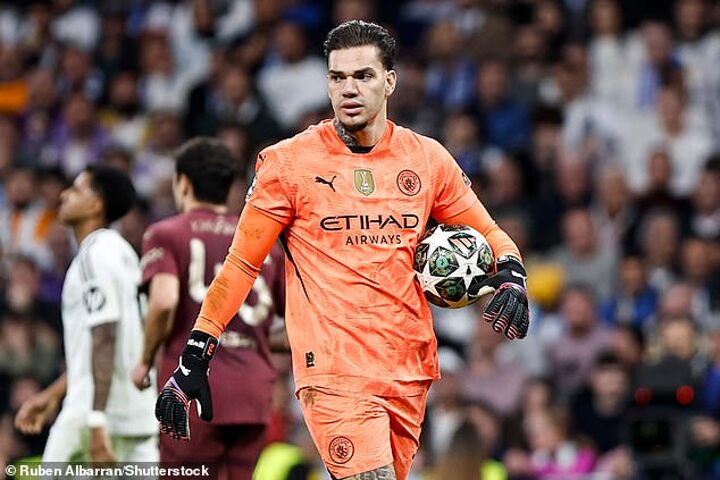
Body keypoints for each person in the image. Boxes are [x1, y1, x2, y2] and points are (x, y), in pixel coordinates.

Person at [155, 21, 529, 480]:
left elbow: (489, 231)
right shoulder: (288, 163)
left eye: (363, 76)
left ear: (390, 81)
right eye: (337, 77)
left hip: (408, 367)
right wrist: (196, 353)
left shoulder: (426, 159)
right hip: (334, 370)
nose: (348, 89)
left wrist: (512, 273)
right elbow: (241, 264)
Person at [131, 138, 285, 478]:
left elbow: (164, 302)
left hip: (190, 387)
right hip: (254, 390)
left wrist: (145, 359)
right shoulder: (264, 243)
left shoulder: (166, 234)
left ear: (183, 182)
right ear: (230, 187)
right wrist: (255, 340)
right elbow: (297, 321)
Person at [15, 165, 158, 462]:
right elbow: (105, 343)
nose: (64, 195)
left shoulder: (93, 255)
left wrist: (96, 420)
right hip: (137, 414)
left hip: (94, 415)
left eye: (77, 189)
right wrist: (52, 394)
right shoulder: (124, 254)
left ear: (95, 205)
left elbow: (105, 335)